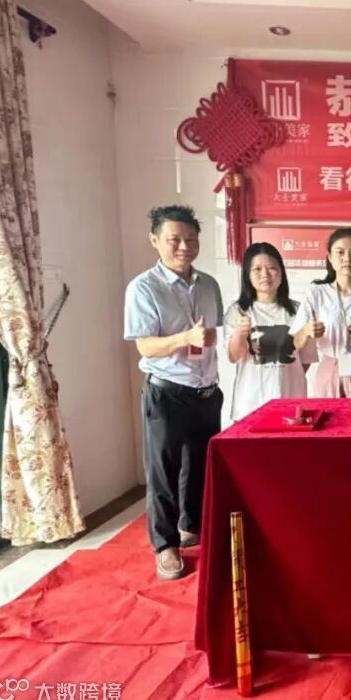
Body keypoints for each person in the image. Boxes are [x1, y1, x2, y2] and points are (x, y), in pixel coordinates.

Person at [123, 205, 223, 581]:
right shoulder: (143, 287)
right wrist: (185, 338)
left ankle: (190, 526)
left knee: (199, 465)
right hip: (166, 392)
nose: (184, 247)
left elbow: (216, 335)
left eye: (191, 239)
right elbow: (145, 346)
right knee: (163, 471)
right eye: (174, 240)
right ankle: (165, 546)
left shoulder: (209, 284)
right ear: (155, 240)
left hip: (206, 391)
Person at [291, 228, 351, 397]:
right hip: (330, 369)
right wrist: (307, 330)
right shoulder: (316, 293)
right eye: (340, 253)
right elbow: (294, 343)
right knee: (328, 413)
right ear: (330, 257)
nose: (347, 259)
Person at [224, 242, 314, 420]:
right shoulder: (237, 311)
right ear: (247, 275)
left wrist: (284, 375)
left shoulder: (299, 311)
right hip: (249, 404)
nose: (265, 274)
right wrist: (240, 334)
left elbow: (305, 361)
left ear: (281, 272)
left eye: (271, 268)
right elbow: (233, 356)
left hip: (291, 402)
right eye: (257, 269)